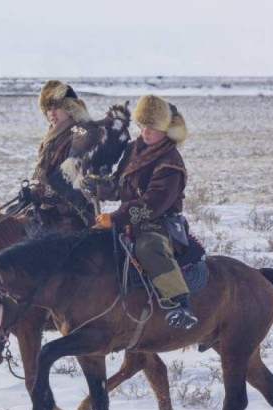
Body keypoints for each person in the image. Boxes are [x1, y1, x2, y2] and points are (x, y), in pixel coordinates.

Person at [86, 94, 198, 330]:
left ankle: (179, 302)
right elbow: (120, 184)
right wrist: (101, 186)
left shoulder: (171, 162)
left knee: (148, 247)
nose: (145, 131)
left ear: (166, 129)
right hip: (129, 221)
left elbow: (153, 203)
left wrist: (115, 218)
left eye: (152, 127)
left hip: (158, 224)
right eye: (142, 125)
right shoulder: (133, 149)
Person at [19, 80, 96, 234]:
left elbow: (68, 184)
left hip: (73, 213)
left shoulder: (80, 135)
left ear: (70, 109)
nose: (52, 114)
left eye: (57, 107)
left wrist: (35, 194)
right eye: (48, 109)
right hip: (49, 207)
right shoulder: (51, 137)